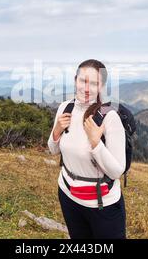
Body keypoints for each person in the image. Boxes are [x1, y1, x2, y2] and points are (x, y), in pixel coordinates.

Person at [47, 59, 127, 239]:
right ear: (75, 80)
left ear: (102, 86)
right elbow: (53, 150)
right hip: (68, 195)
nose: (87, 88)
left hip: (102, 205)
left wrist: (96, 143)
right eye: (83, 80)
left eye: (94, 83)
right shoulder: (64, 108)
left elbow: (116, 171)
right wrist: (57, 131)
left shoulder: (109, 118)